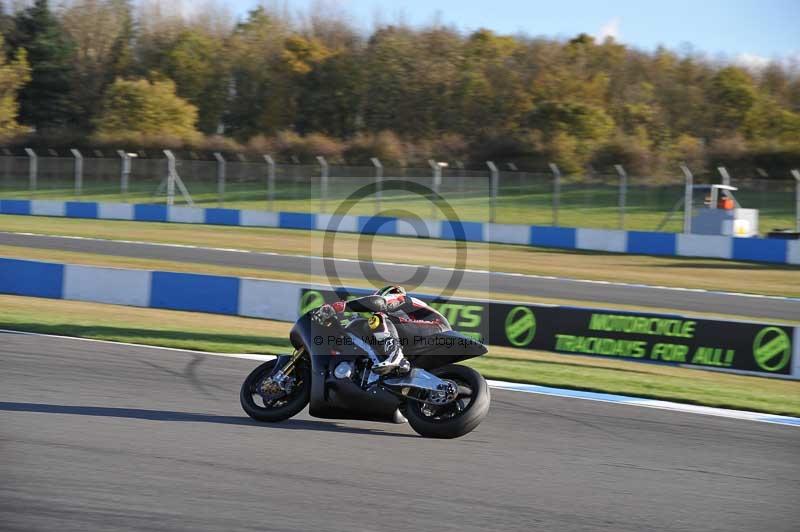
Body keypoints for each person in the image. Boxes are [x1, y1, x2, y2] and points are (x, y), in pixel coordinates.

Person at [313, 285, 451, 375]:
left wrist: (338, 307)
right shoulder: (402, 318)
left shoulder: (400, 297)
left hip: (437, 327)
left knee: (378, 317)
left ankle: (396, 356)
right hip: (428, 337)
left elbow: (376, 303)